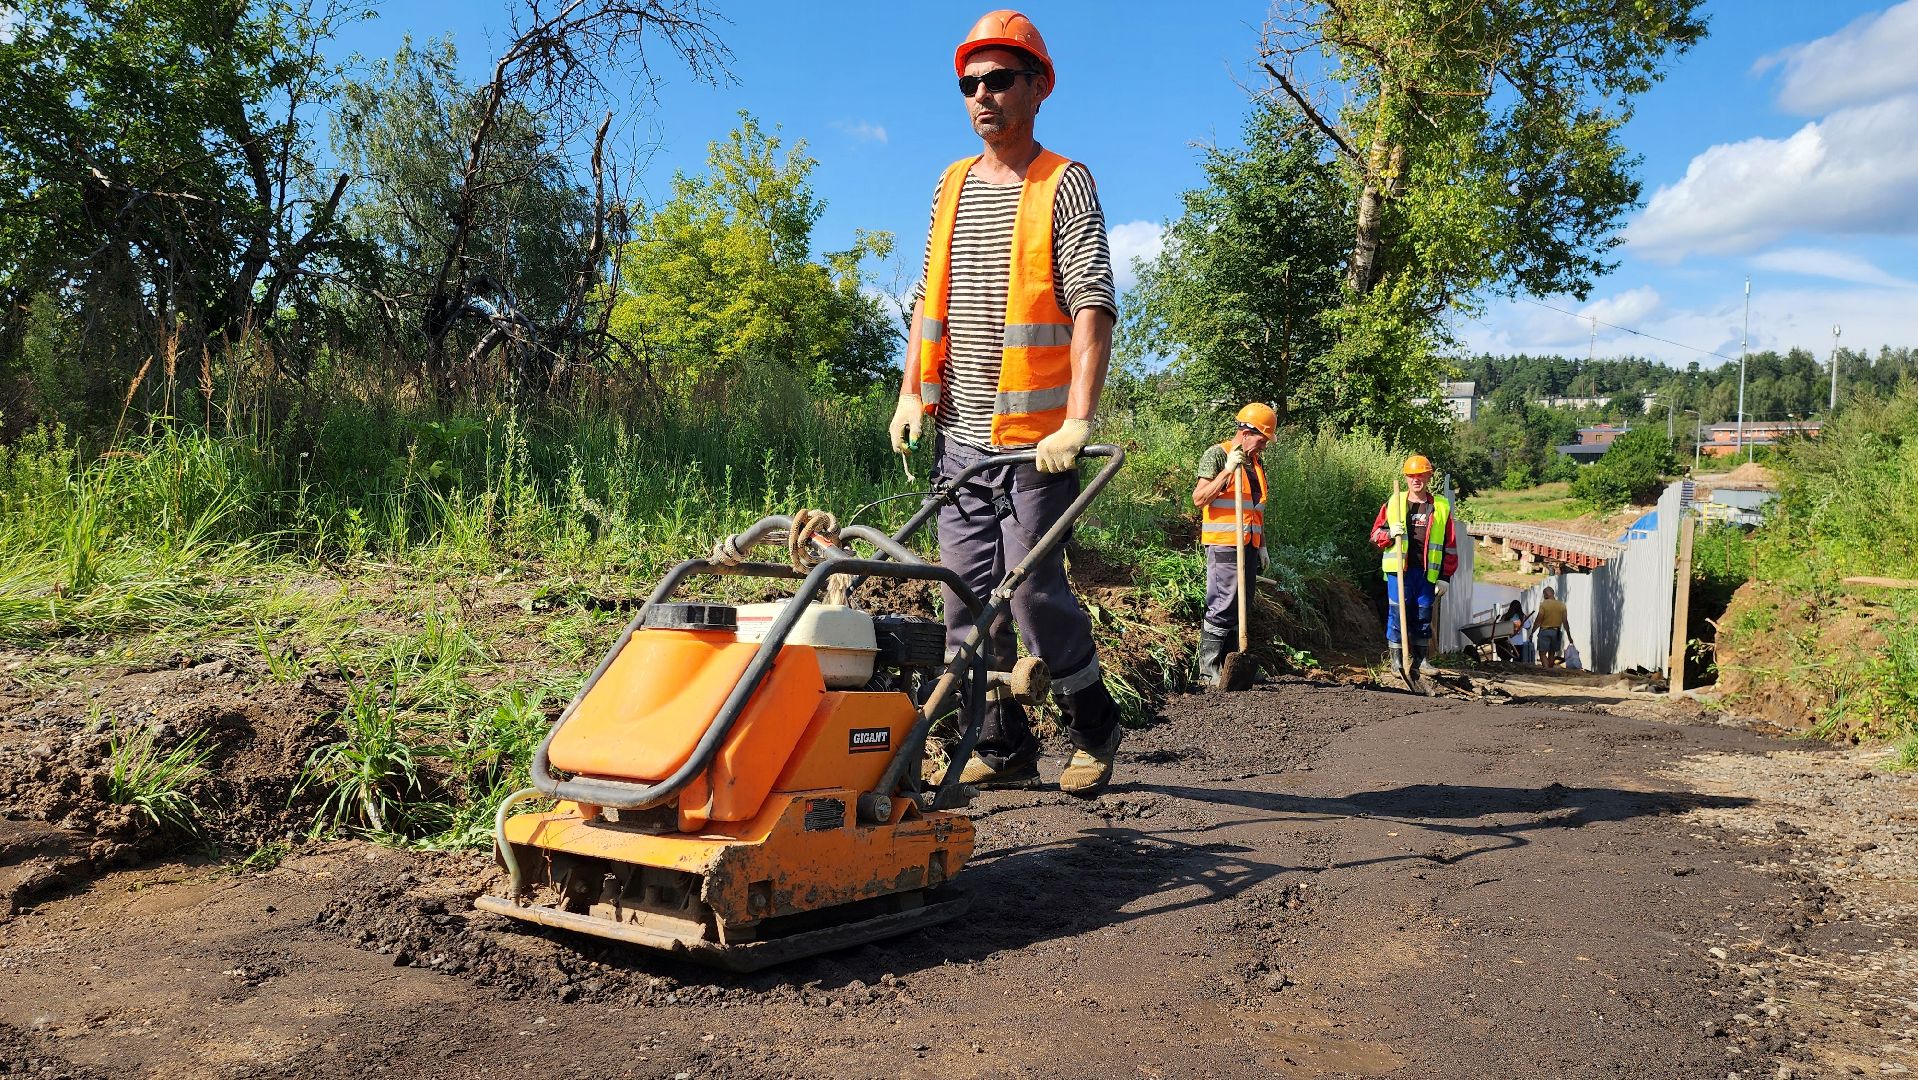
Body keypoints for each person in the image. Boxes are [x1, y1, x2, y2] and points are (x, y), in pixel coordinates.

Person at [886, 10, 1122, 797]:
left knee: (1033, 593)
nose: (983, 95)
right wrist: (911, 392)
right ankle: (1001, 740)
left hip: (1034, 441)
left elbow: (1091, 302)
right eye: (970, 83)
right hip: (959, 435)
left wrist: (1078, 419)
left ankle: (1095, 724)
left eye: (999, 80)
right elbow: (929, 299)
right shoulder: (949, 185)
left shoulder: (1065, 180)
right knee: (961, 597)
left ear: (1038, 87)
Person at [1191, 403, 1276, 685]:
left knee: (1243, 602)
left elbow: (1256, 509)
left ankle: (1232, 666)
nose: (1264, 446)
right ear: (1246, 432)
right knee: (1223, 604)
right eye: (1262, 440)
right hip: (1225, 543)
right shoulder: (1218, 454)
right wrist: (1227, 471)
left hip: (1249, 544)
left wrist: (1262, 545)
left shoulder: (1256, 464)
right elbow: (1200, 498)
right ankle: (1209, 670)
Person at [1368, 454, 1458, 680]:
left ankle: (1421, 660)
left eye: (1420, 475)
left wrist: (1445, 576)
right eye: (1411, 476)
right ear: (1406, 478)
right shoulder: (1394, 503)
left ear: (1429, 477)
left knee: (1423, 615)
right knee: (1398, 614)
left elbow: (1450, 544)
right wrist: (1390, 533)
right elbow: (1375, 535)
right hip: (1400, 571)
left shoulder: (1440, 507)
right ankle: (1397, 661)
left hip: (1427, 572)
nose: (1416, 480)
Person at [1533, 586, 1571, 668]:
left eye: (1544, 594)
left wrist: (1532, 631)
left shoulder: (1543, 605)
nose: (1543, 596)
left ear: (1546, 594)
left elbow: (1538, 620)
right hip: (1556, 632)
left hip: (1545, 631)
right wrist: (1569, 636)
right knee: (1552, 653)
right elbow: (1565, 622)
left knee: (1542, 653)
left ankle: (1547, 670)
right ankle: (1550, 669)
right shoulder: (1562, 605)